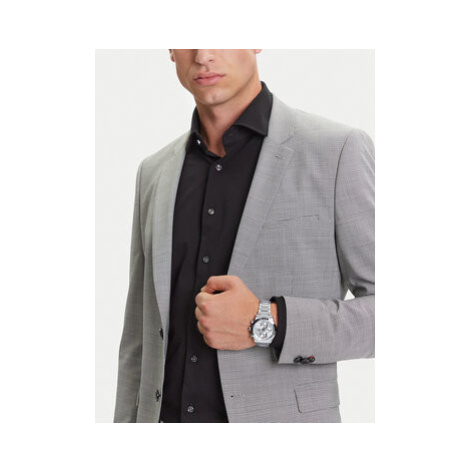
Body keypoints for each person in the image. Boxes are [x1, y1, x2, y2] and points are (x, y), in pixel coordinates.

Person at [113, 49, 375, 423]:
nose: (203, 55)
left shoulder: (336, 151)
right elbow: (138, 337)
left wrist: (266, 321)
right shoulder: (154, 172)